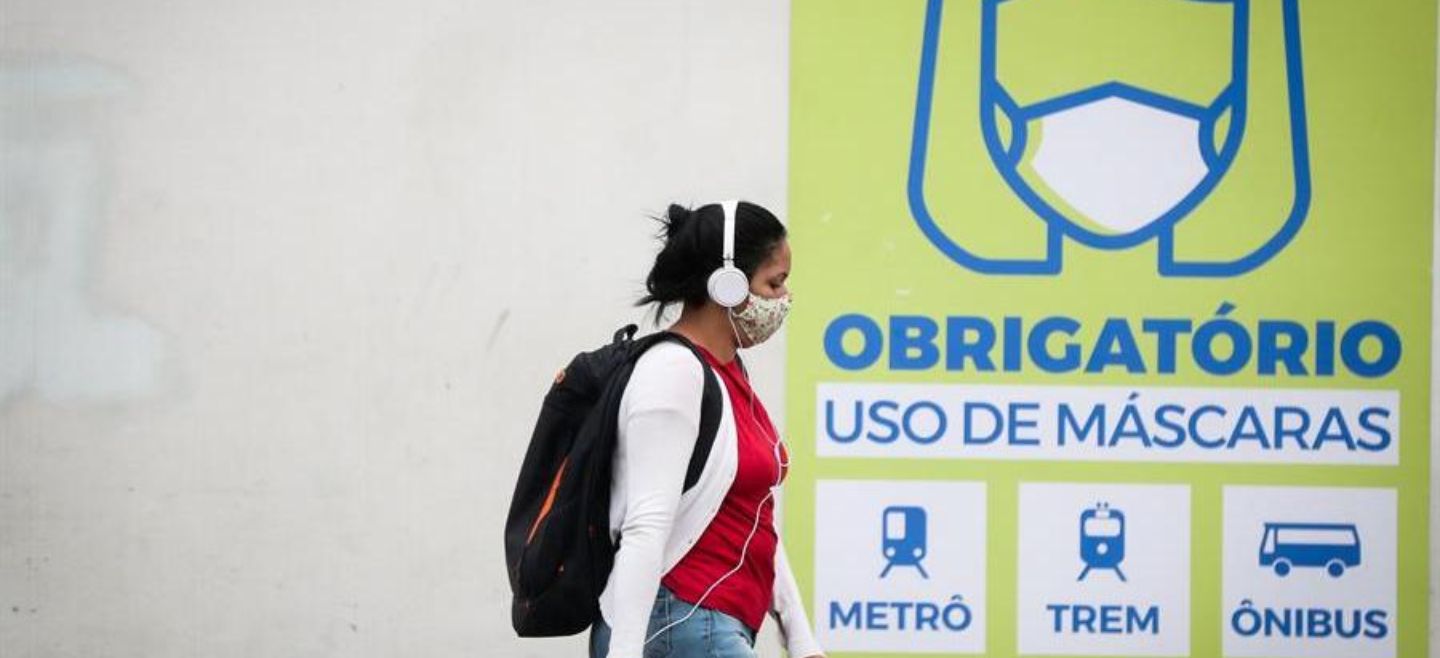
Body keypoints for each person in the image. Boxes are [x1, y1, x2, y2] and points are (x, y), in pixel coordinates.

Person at [589, 201, 825, 658]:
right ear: (729, 284)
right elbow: (646, 523)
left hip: (712, 625)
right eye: (775, 283)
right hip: (679, 624)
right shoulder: (673, 371)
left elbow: (751, 515)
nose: (784, 299)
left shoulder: (726, 373)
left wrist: (800, 637)